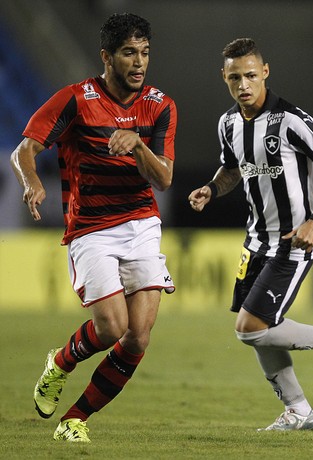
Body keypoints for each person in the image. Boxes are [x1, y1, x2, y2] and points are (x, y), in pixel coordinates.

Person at [10, 13, 177, 443]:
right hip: (91, 229)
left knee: (137, 338)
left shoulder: (159, 106)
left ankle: (74, 419)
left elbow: (163, 179)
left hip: (141, 223)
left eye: (144, 53)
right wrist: (32, 183)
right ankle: (60, 364)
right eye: (128, 53)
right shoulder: (75, 100)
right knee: (111, 328)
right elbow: (25, 150)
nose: (139, 63)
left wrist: (137, 143)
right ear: (106, 57)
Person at [188, 38, 313, 431]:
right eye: (235, 77)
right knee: (259, 331)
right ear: (223, 77)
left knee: (250, 328)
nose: (244, 84)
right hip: (255, 242)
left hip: (294, 242)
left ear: (266, 73)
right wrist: (211, 188)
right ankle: (299, 411)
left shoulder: (291, 120)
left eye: (251, 76)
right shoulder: (228, 124)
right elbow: (232, 170)